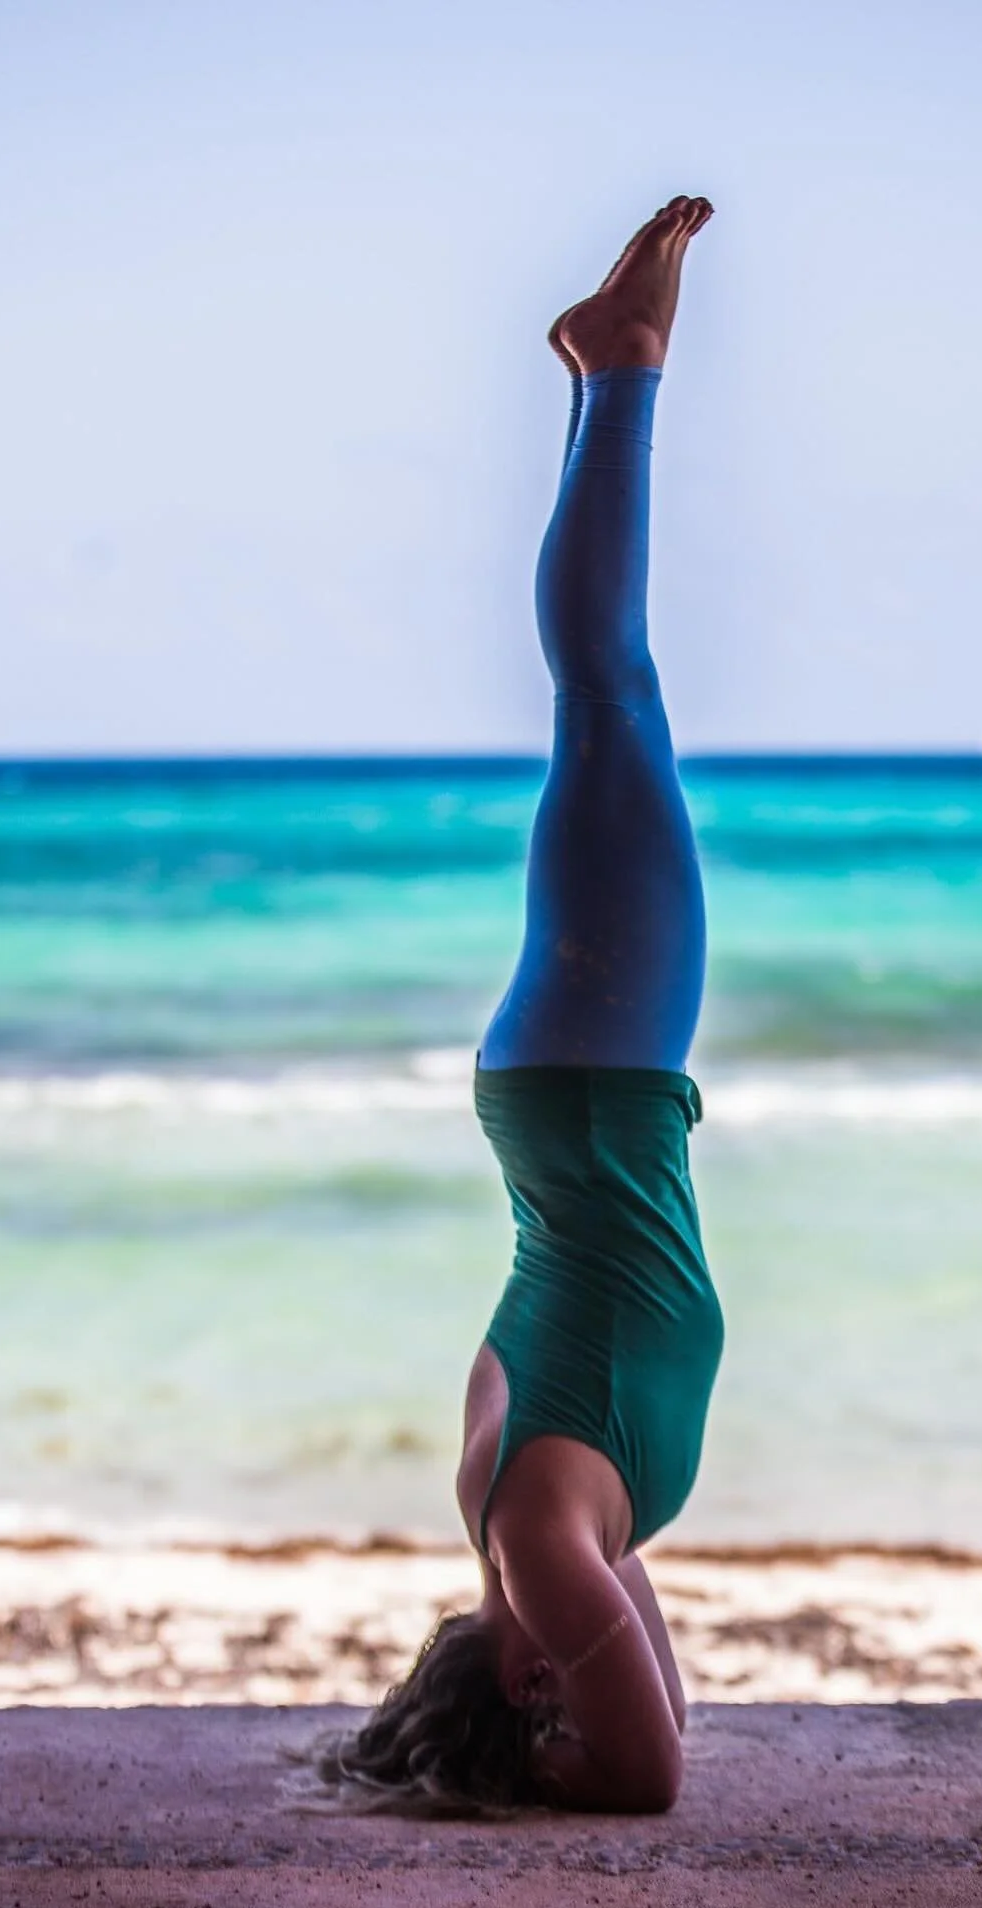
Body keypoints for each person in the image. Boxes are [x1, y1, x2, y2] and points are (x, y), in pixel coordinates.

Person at [305, 194, 720, 1816]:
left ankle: (615, 372)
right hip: (569, 1089)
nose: (577, 1672)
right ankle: (594, 372)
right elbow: (652, 1715)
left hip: (596, 1077)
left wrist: (553, 1722)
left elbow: (646, 1778)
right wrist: (542, 1705)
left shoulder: (541, 1534)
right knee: (611, 709)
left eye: (539, 1695)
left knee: (609, 698)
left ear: (511, 1667)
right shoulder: (533, 1521)